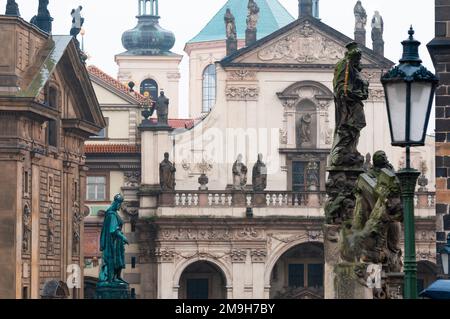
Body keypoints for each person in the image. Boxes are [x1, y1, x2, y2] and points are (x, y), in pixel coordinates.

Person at [99, 194, 129, 284]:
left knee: (119, 259)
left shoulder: (113, 213)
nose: (120, 206)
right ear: (117, 203)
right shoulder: (112, 214)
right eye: (120, 204)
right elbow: (113, 230)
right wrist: (123, 237)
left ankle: (117, 277)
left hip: (116, 241)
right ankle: (112, 278)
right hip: (114, 242)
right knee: (115, 259)